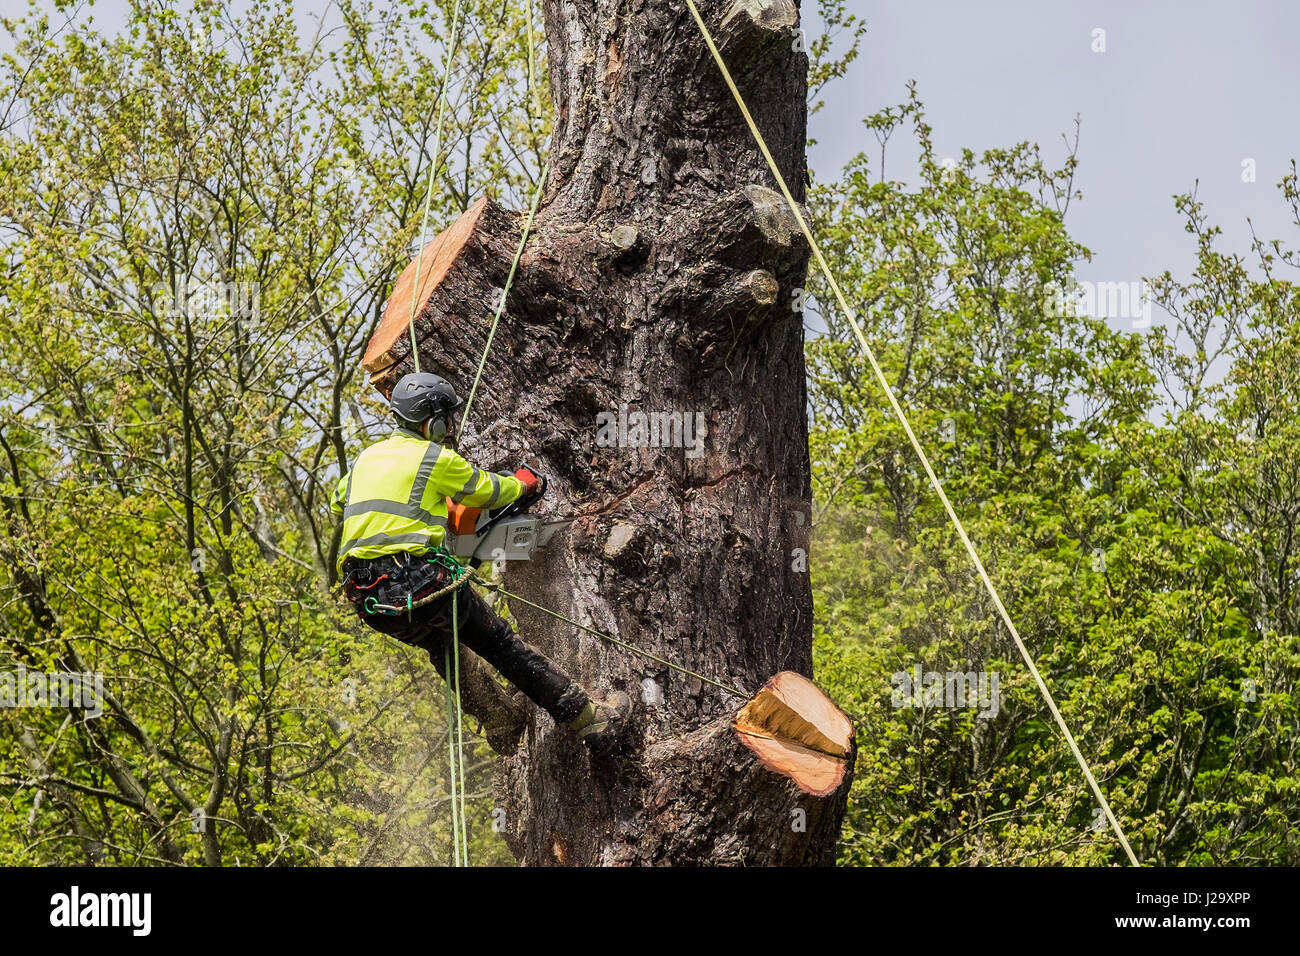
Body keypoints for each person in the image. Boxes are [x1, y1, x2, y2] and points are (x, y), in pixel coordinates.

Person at [331, 371, 630, 754]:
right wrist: (523, 483)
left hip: (371, 600)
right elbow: (489, 490)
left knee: (443, 648)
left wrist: (427, 505)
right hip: (417, 580)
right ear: (432, 420)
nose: (450, 425)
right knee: (499, 643)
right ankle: (591, 721)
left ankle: (500, 721)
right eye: (446, 418)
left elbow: (339, 501)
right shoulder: (434, 457)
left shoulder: (363, 461)